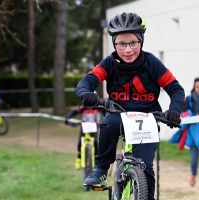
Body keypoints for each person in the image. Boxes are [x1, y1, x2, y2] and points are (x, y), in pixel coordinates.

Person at [75, 11, 185, 200]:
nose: (128, 50)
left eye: (133, 43)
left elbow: (176, 89)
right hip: (119, 112)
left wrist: (175, 109)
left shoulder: (152, 63)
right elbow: (88, 80)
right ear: (114, 44)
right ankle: (101, 168)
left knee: (146, 167)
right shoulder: (109, 63)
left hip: (148, 117)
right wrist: (86, 93)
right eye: (122, 44)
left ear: (141, 41)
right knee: (109, 123)